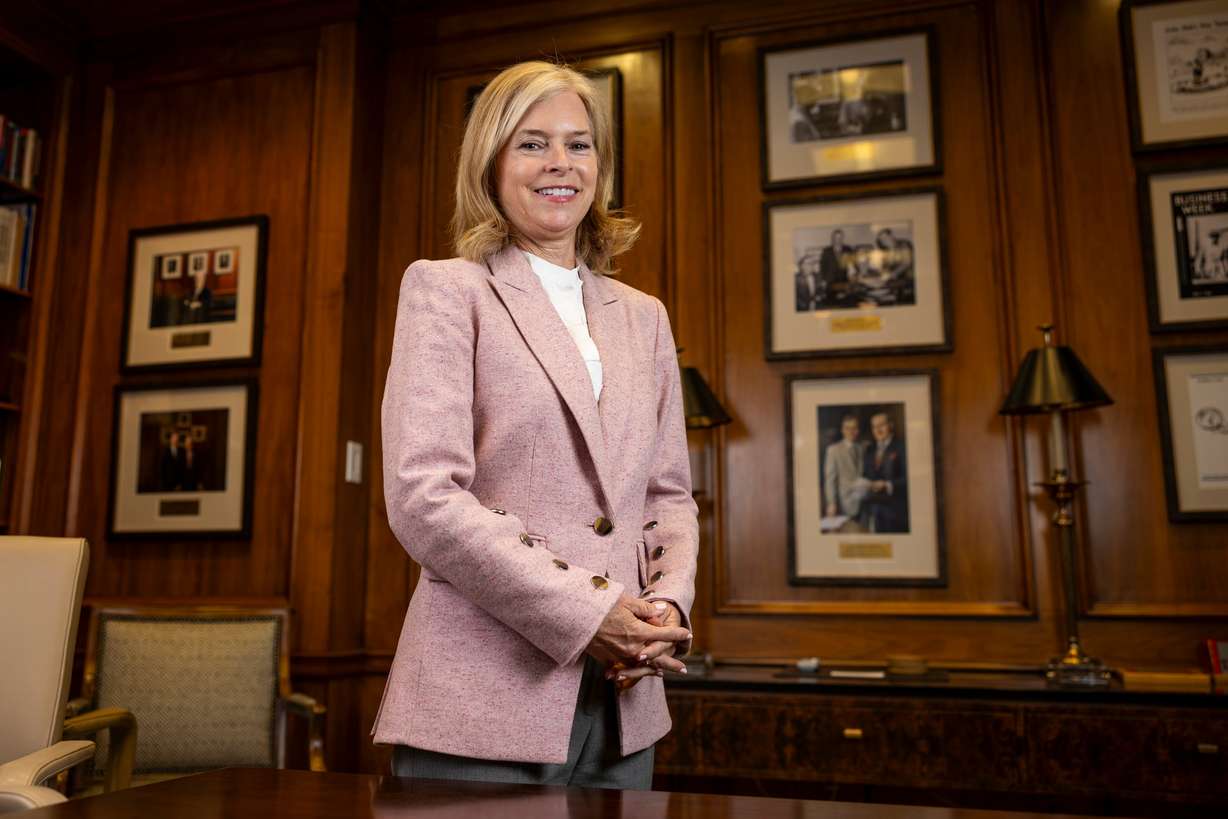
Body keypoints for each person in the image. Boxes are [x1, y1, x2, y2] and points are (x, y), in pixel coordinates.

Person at [374, 61, 698, 791]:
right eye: (532, 143)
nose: (560, 163)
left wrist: (664, 606)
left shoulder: (644, 316)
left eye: (579, 145)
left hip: (623, 703)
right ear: (490, 163)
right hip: (480, 697)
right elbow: (425, 498)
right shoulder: (447, 290)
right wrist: (591, 612)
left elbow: (668, 494)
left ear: (600, 167)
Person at [860, 411, 908, 533]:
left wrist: (887, 485)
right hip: (874, 513)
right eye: (874, 427)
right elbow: (866, 475)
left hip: (896, 513)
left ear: (890, 425)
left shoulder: (902, 447)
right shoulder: (869, 450)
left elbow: (909, 479)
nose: (878, 430)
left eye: (882, 425)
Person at [824, 413, 866, 520]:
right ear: (842, 430)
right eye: (847, 428)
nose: (851, 432)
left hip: (864, 503)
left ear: (858, 430)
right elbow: (830, 479)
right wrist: (831, 503)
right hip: (844, 503)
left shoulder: (862, 448)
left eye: (854, 428)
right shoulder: (833, 450)